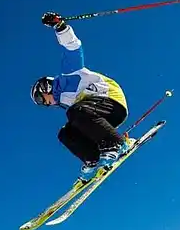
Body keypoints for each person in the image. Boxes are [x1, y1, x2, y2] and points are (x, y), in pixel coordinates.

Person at [30, 11, 136, 182]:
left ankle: (116, 143)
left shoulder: (68, 76)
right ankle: (92, 159)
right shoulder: (65, 102)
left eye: (42, 100)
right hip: (98, 117)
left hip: (112, 102)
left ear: (45, 88)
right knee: (66, 133)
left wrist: (60, 27)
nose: (46, 104)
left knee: (75, 112)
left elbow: (73, 46)